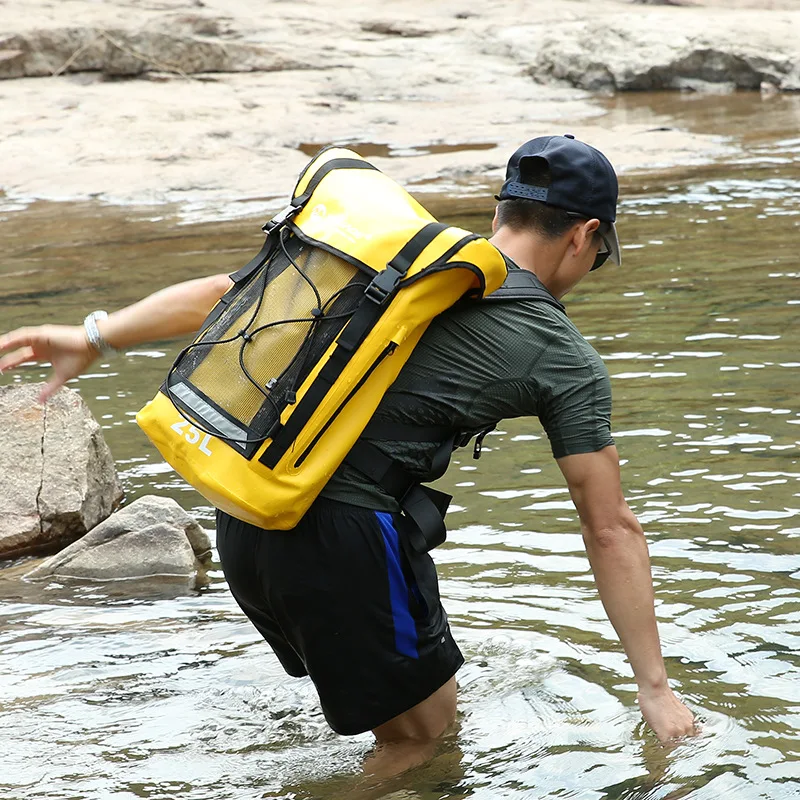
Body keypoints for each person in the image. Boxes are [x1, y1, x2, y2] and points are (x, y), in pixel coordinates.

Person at [0, 134, 696, 777]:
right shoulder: (562, 356)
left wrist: (97, 333)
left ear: (502, 216)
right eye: (600, 255)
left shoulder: (401, 262)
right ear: (587, 235)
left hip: (249, 515)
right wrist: (655, 689)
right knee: (421, 748)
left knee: (437, 714)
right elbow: (610, 526)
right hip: (341, 538)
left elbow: (228, 297)